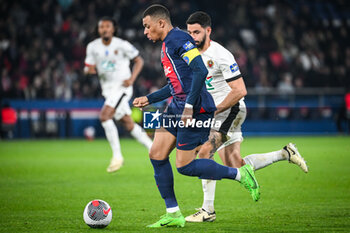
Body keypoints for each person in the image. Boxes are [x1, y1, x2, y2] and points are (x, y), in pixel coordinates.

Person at [133, 4, 260, 228]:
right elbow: (176, 84)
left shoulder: (178, 39)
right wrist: (150, 98)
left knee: (185, 166)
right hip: (177, 106)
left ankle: (241, 175)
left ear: (161, 23)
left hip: (196, 108)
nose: (145, 31)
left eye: (147, 26)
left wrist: (190, 106)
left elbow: (201, 70)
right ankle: (173, 213)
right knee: (156, 154)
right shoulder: (167, 44)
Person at [184, 11, 308, 222]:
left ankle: (207, 211)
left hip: (230, 110)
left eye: (196, 32)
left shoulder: (221, 55)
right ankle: (285, 153)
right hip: (218, 113)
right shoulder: (191, 54)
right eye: (189, 32)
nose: (192, 37)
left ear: (208, 31)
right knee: (235, 165)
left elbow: (240, 90)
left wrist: (214, 110)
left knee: (204, 153)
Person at [84, 16, 153, 173]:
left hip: (122, 87)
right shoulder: (93, 47)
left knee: (104, 116)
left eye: (108, 26)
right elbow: (87, 67)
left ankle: (117, 156)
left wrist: (131, 79)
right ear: (99, 29)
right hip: (107, 91)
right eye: (102, 27)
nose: (105, 29)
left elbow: (139, 61)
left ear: (113, 29)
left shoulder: (122, 45)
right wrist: (89, 70)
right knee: (128, 123)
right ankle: (153, 148)